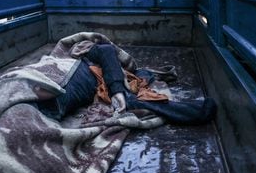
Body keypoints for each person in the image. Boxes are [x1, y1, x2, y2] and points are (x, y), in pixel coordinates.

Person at [34, 42, 217, 125]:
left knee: (129, 95)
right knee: (127, 98)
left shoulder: (94, 69)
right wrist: (117, 90)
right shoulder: (88, 55)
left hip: (53, 96)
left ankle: (197, 111)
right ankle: (198, 111)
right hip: (53, 91)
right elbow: (106, 50)